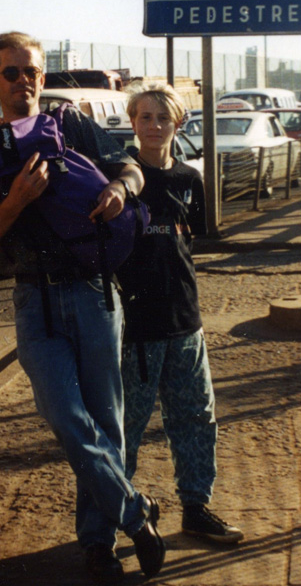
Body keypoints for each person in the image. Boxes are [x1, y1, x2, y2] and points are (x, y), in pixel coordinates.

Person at [0, 32, 165, 585]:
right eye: (11, 73)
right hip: (34, 299)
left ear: (43, 79)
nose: (23, 82)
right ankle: (136, 514)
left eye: (32, 72)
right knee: (67, 419)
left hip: (95, 293)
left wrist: (121, 190)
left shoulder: (70, 124)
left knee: (106, 423)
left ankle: (99, 545)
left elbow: (132, 167)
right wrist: (17, 200)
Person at [117, 84, 244, 545]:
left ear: (178, 123)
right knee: (125, 427)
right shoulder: (117, 177)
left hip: (185, 323)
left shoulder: (191, 179)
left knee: (195, 418)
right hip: (135, 331)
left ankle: (196, 507)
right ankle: (120, 515)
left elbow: (191, 244)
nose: (153, 126)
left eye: (162, 118)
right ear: (132, 122)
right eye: (145, 117)